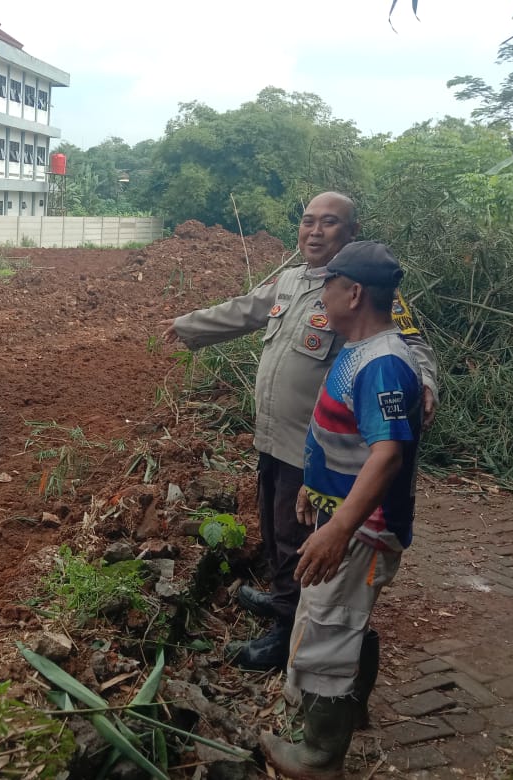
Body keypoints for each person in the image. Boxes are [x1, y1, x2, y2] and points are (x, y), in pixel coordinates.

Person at [161, 192, 437, 671]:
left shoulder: (362, 290)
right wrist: (187, 327)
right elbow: (243, 309)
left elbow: (409, 347)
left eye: (329, 224)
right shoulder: (289, 281)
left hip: (315, 450)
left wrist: (425, 384)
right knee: (272, 525)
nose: (314, 231)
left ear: (349, 234)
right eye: (308, 221)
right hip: (272, 435)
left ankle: (289, 627)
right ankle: (284, 596)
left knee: (297, 533)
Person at [259, 240, 424, 779]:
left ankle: (320, 755)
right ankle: (351, 714)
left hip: (363, 531)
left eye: (327, 286)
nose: (320, 295)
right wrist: (314, 484)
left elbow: (386, 455)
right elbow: (346, 439)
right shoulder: (357, 350)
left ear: (352, 293)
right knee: (340, 618)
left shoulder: (382, 364)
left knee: (327, 629)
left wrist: (339, 530)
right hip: (343, 518)